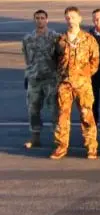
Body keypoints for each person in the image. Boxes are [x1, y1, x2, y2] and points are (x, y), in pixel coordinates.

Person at [51, 7, 100, 159]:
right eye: (68, 18)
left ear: (79, 19)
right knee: (62, 117)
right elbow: (54, 59)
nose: (70, 20)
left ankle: (91, 147)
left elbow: (95, 60)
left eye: (73, 17)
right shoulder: (60, 40)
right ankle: (61, 146)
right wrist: (61, 75)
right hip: (65, 84)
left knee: (86, 115)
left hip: (82, 85)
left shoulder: (88, 39)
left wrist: (84, 75)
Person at [22, 9, 60, 149]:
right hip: (34, 79)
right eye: (37, 18)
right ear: (34, 20)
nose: (40, 20)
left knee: (54, 109)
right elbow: (27, 58)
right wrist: (30, 73)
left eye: (42, 18)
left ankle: (58, 139)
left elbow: (60, 56)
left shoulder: (55, 37)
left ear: (47, 20)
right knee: (33, 109)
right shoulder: (28, 38)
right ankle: (35, 138)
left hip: (51, 79)